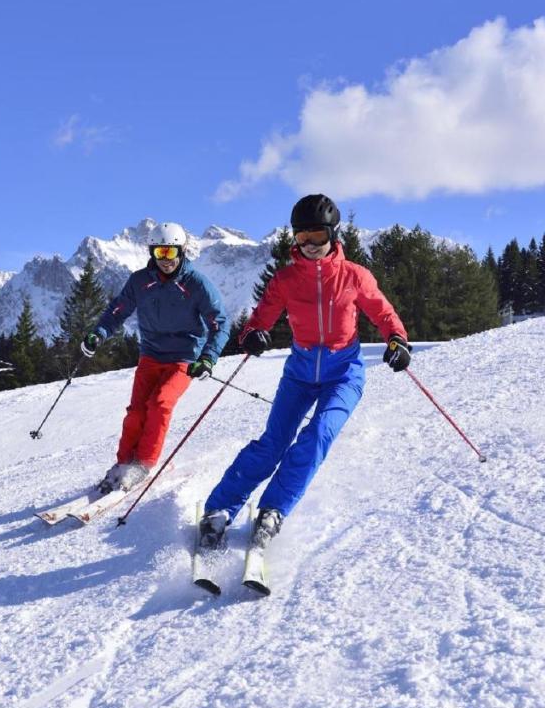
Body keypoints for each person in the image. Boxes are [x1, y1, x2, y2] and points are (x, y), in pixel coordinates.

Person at [200, 194, 412, 551]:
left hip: (343, 372)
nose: (311, 245)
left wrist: (397, 340)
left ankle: (273, 509)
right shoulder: (285, 279)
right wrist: (253, 334)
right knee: (273, 443)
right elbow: (260, 318)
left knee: (317, 435)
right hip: (299, 373)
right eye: (302, 238)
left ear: (333, 235)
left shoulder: (355, 276)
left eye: (318, 237)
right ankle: (220, 509)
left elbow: (383, 313)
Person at [82, 222, 229, 494]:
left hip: (184, 358)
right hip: (150, 355)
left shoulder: (196, 283)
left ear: (182, 251)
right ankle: (123, 463)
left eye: (170, 253)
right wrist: (98, 334)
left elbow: (220, 322)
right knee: (136, 411)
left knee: (160, 404)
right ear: (152, 253)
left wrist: (208, 358)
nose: (165, 260)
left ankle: (144, 464)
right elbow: (117, 311)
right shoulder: (140, 281)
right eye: (159, 253)